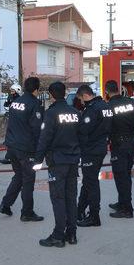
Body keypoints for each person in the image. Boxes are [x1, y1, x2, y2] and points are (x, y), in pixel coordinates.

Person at [35, 82, 84, 248]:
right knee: (71, 197)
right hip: (73, 161)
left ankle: (58, 235)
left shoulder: (51, 113)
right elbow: (81, 136)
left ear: (51, 94)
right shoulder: (75, 113)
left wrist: (37, 160)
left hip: (58, 162)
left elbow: (44, 138)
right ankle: (72, 234)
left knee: (58, 198)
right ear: (64, 93)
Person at [0, 77, 45, 222]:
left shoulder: (15, 102)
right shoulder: (34, 104)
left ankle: (5, 204)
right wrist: (41, 150)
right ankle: (27, 212)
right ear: (36, 90)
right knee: (28, 180)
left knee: (18, 176)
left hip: (12, 146)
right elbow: (37, 129)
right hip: (26, 149)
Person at [104, 80, 134, 219]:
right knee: (125, 174)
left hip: (119, 145)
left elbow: (106, 127)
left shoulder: (109, 106)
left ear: (107, 92)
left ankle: (127, 209)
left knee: (121, 177)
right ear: (118, 89)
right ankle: (122, 202)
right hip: (131, 142)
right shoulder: (130, 102)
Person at [76, 84, 112, 227]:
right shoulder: (105, 106)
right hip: (100, 147)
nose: (81, 102)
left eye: (80, 99)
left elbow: (83, 130)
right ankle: (80, 210)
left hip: (91, 150)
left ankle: (94, 216)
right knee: (89, 180)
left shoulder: (92, 109)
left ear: (85, 95)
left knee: (91, 183)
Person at [0, 84, 23, 165]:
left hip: (17, 121)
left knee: (13, 139)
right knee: (10, 139)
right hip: (11, 119)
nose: (11, 92)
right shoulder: (10, 97)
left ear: (17, 91)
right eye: (11, 90)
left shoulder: (20, 99)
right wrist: (7, 102)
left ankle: (11, 157)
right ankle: (9, 157)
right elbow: (6, 105)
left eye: (13, 90)